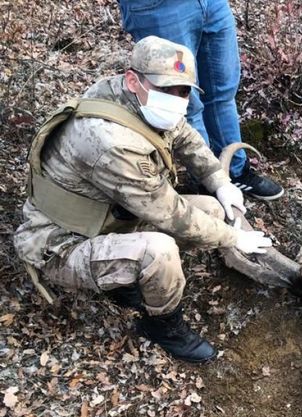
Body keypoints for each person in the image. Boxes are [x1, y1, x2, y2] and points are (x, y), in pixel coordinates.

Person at [14, 36, 274, 364]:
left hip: (107, 216)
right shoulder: (110, 142)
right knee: (158, 252)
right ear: (133, 79)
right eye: (168, 90)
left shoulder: (134, 99)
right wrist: (235, 237)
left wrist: (220, 182)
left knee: (211, 209)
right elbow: (171, 214)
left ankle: (125, 275)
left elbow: (186, 137)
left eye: (184, 91)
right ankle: (163, 326)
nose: (177, 100)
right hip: (61, 243)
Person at [117, 0, 284, 201]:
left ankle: (235, 171)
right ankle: (209, 185)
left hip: (212, 4)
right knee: (185, 102)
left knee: (222, 93)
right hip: (160, 8)